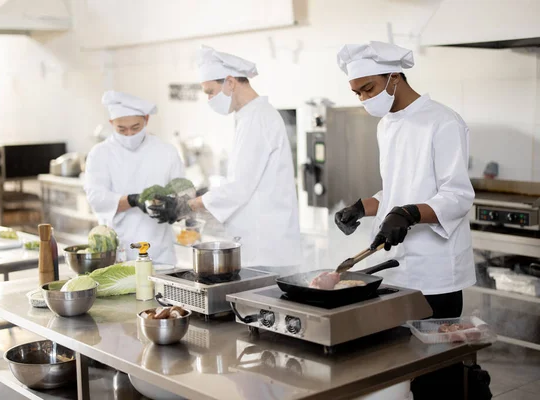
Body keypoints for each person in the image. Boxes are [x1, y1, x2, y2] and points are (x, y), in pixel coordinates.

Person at [335, 41, 479, 400]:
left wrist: (411, 213)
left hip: (436, 274)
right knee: (402, 367)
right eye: (356, 92)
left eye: (367, 89)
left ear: (395, 77)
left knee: (437, 376)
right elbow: (396, 191)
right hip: (399, 273)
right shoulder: (387, 125)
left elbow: (458, 195)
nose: (363, 99)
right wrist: (362, 206)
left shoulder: (443, 121)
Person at [150, 46, 301, 268]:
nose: (210, 99)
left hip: (266, 249)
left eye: (210, 92)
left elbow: (239, 186)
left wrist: (186, 206)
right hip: (263, 245)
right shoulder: (249, 117)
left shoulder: (256, 119)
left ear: (230, 82)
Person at [84, 90, 184, 263]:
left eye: (135, 128)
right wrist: (133, 200)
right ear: (111, 123)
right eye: (121, 129)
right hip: (119, 251)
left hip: (160, 252)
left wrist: (175, 208)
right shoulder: (99, 154)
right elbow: (96, 199)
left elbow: (182, 194)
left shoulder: (166, 152)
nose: (129, 134)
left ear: (146, 119)